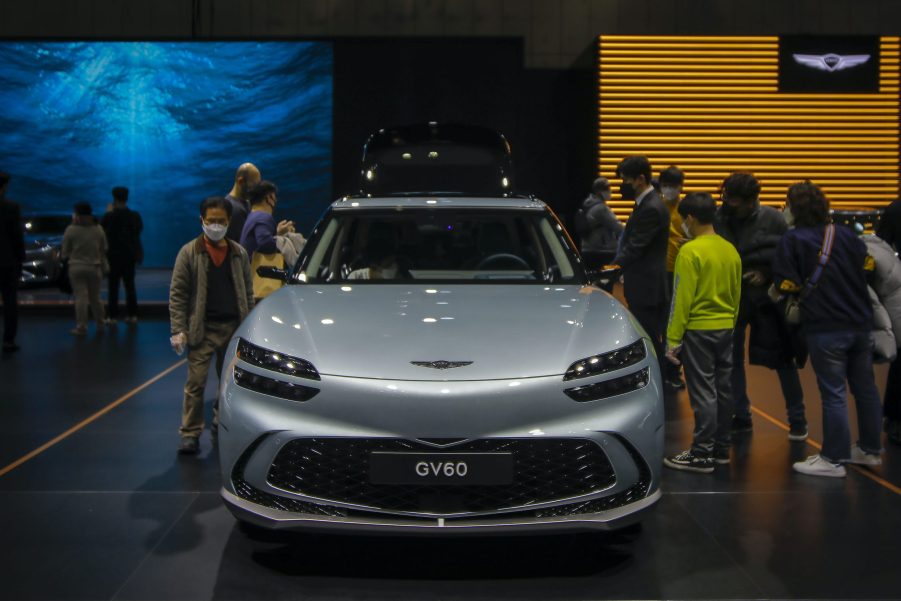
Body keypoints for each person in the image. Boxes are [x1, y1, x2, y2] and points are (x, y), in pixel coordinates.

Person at [773, 181, 883, 477]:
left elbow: (786, 283)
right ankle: (871, 450)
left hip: (825, 325)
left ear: (794, 208)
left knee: (833, 392)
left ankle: (834, 458)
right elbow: (869, 269)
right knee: (866, 388)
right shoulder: (846, 235)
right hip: (861, 323)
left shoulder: (792, 240)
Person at [714, 172, 807, 439]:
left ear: (752, 200)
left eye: (736, 202)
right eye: (727, 199)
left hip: (767, 300)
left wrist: (767, 274)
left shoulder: (774, 219)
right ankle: (740, 414)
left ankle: (798, 419)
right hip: (732, 298)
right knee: (730, 361)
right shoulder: (721, 217)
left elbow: (788, 257)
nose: (730, 205)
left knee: (782, 359)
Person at [663, 192, 742, 473]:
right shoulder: (730, 249)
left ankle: (701, 455)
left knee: (703, 394)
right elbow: (736, 294)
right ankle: (721, 451)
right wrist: (730, 324)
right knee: (724, 391)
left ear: (691, 218)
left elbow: (681, 299)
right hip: (725, 329)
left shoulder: (690, 251)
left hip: (698, 330)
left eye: (684, 219)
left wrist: (673, 339)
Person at [169, 197, 254, 455]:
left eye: (221, 221)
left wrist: (249, 327)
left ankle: (221, 425)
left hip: (232, 329)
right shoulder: (189, 252)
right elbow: (178, 294)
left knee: (228, 386)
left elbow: (247, 294)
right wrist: (178, 330)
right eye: (211, 221)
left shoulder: (238, 253)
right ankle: (190, 433)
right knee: (195, 384)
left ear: (229, 222)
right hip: (201, 331)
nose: (216, 225)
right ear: (202, 221)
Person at [612, 156, 670, 363]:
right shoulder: (646, 204)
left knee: (650, 341)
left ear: (640, 179)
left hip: (648, 287)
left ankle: (660, 384)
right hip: (645, 285)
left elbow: (635, 246)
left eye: (626, 180)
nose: (623, 185)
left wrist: (612, 268)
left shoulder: (651, 208)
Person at [875, 198, 901, 445]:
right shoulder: (896, 209)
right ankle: (894, 418)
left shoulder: (895, 209)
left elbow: (880, 247)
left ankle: (894, 418)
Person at [61, 202, 107, 336]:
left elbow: (65, 251)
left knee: (81, 297)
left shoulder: (71, 229)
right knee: (95, 297)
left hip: (76, 266)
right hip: (94, 266)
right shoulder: (97, 228)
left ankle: (82, 326)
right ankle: (101, 323)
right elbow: (104, 248)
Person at [659, 165, 687, 389]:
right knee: (663, 323)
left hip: (680, 271)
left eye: (674, 186)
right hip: (659, 271)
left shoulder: (686, 208)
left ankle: (674, 370)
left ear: (681, 187)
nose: (670, 190)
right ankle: (664, 369)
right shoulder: (655, 205)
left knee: (678, 324)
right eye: (666, 185)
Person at [100, 186, 143, 324]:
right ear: (127, 198)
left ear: (114, 198)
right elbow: (138, 231)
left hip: (113, 256)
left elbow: (102, 232)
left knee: (113, 287)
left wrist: (108, 213)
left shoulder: (109, 216)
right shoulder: (134, 216)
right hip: (129, 255)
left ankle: (112, 316)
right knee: (130, 286)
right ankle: (133, 315)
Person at [574, 177, 623, 272]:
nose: (609, 192)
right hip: (601, 251)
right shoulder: (601, 208)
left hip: (588, 249)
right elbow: (618, 227)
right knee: (606, 281)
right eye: (606, 189)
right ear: (598, 191)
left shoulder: (587, 204)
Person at [0, 171, 25, 352]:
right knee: (10, 301)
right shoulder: (11, 207)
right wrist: (20, 259)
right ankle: (8, 340)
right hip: (7, 261)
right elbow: (17, 236)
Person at [224, 163, 261, 242]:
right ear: (240, 181)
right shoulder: (235, 209)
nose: (256, 189)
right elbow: (245, 243)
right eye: (254, 185)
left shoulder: (245, 203)